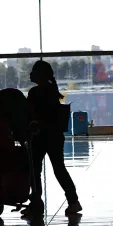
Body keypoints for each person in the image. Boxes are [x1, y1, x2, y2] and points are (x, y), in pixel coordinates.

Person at [26, 60, 81, 216]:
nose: (30, 74)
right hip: (54, 136)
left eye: (33, 71)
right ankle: (73, 201)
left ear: (40, 74)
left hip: (40, 137)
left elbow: (31, 114)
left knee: (35, 171)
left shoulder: (35, 92)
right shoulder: (51, 90)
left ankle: (36, 203)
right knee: (59, 169)